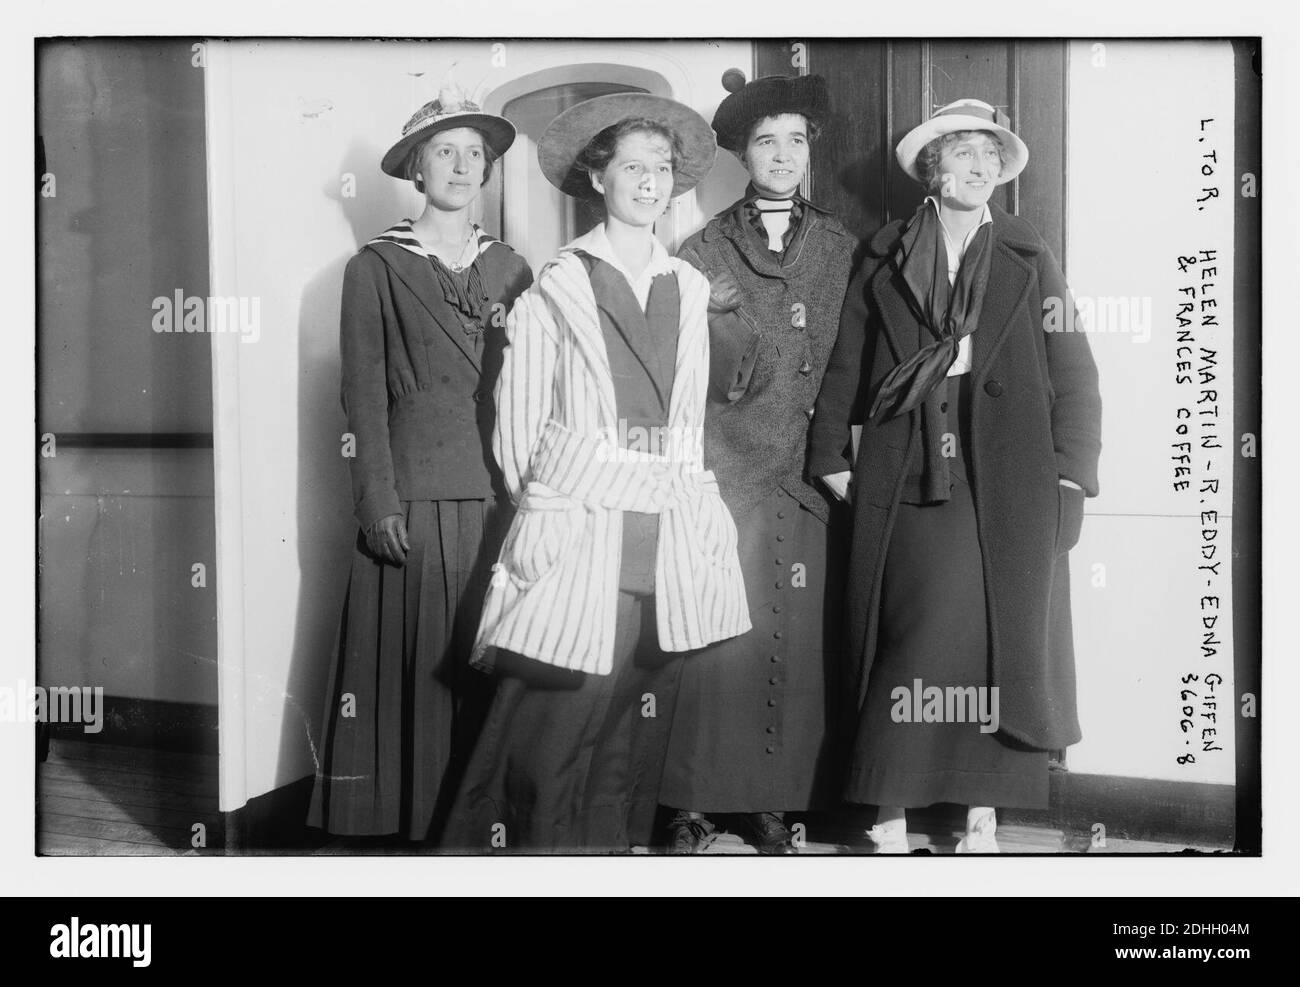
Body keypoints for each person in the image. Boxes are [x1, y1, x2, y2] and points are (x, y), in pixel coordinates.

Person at [442, 93, 750, 853]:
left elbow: (690, 422)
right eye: (634, 168)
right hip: (583, 533)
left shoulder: (690, 287)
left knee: (628, 724)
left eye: (663, 170)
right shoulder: (559, 282)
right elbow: (517, 427)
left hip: (666, 535)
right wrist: (557, 507)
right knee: (552, 725)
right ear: (598, 177)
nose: (650, 183)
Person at [808, 99, 1102, 853]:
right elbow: (847, 362)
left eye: (989, 156)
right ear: (932, 170)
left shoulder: (1029, 256)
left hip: (1009, 480)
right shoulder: (882, 254)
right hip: (909, 468)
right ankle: (887, 812)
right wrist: (832, 456)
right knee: (913, 636)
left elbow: (1076, 374)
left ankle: (981, 815)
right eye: (962, 154)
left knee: (993, 642)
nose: (978, 167)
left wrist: (1073, 475)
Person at [308, 88, 534, 844]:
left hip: (500, 497)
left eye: (476, 152)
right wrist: (377, 500)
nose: (463, 165)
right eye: (445, 150)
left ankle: (481, 830)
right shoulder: (373, 266)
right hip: (413, 492)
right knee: (420, 669)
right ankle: (412, 835)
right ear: (415, 168)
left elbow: (538, 389)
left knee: (490, 664)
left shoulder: (513, 268)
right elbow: (362, 397)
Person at [659, 72, 856, 854]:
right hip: (725, 470)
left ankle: (778, 801)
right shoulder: (702, 247)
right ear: (743, 151)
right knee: (717, 640)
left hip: (806, 474)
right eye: (766, 140)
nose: (782, 154)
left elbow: (854, 364)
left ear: (810, 152)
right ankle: (695, 799)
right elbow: (677, 367)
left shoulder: (840, 247)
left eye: (796, 140)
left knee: (794, 638)